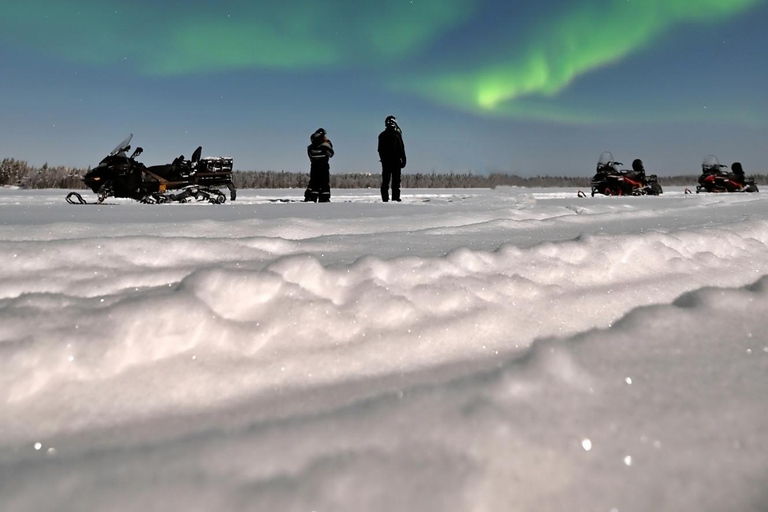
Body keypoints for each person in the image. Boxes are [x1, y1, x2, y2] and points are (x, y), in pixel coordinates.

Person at [378, 115, 406, 202]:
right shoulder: (397, 135)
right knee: (395, 182)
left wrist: (383, 159)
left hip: (386, 163)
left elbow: (379, 150)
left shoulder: (382, 135)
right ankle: (395, 198)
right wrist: (403, 159)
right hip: (396, 162)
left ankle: (385, 199)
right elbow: (401, 148)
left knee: (385, 181)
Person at [304, 128, 334, 202]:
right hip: (323, 168)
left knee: (313, 183)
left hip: (314, 168)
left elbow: (310, 156)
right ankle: (324, 198)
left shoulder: (310, 148)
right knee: (324, 183)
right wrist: (329, 144)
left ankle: (310, 197)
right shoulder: (325, 146)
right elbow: (331, 154)